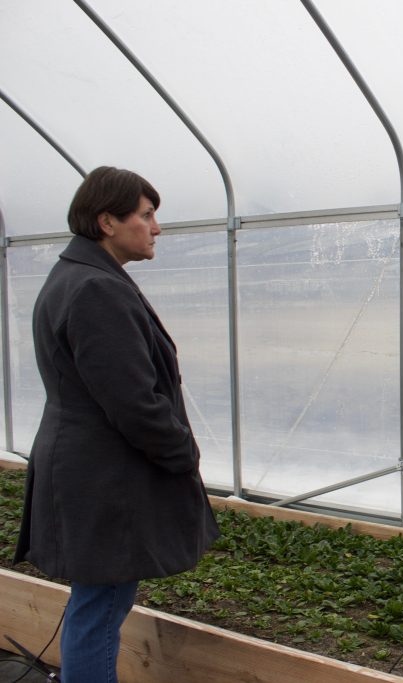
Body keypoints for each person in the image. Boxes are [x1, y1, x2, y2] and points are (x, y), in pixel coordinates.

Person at [14, 166, 220, 682]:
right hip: (103, 478)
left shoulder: (80, 276)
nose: (156, 228)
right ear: (107, 221)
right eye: (146, 216)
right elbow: (133, 403)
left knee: (98, 602)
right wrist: (181, 454)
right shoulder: (94, 290)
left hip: (92, 469)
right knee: (100, 608)